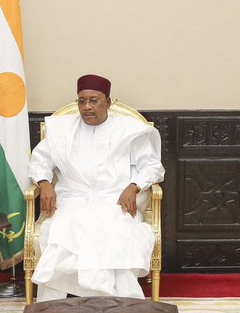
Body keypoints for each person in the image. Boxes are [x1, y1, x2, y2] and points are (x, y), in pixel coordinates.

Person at [29, 74, 164, 300]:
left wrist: (133, 186)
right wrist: (44, 183)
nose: (87, 107)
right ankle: (53, 306)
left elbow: (152, 166)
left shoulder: (129, 129)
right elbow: (39, 161)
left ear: (108, 102)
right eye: (82, 101)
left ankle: (120, 301)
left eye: (94, 100)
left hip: (115, 197)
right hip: (74, 196)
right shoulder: (63, 130)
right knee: (63, 229)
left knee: (116, 230)